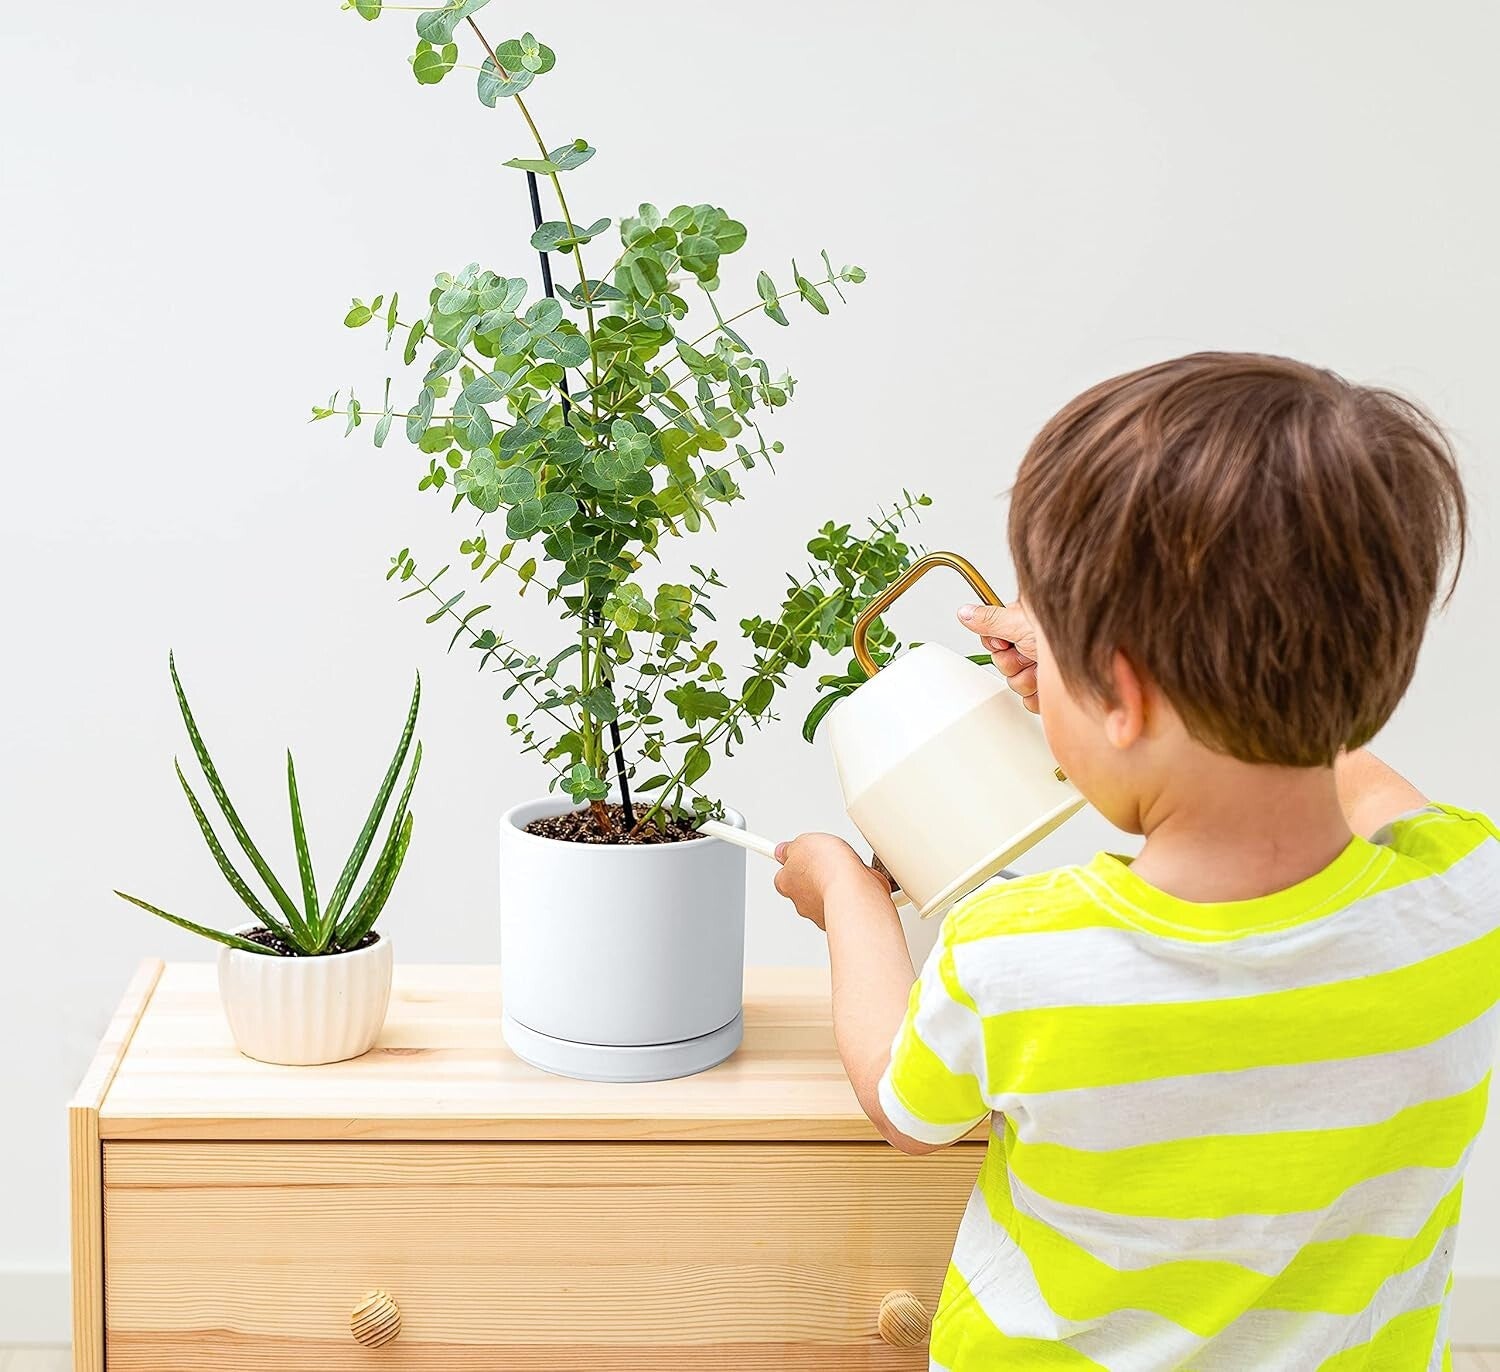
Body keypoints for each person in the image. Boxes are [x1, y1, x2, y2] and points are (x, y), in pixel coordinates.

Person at [772, 352, 1494, 1370]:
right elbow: (1351, 764)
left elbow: (903, 1101)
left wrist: (848, 890)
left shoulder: (1021, 954)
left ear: (1121, 691)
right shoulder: (1465, 896)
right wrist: (1123, 684)